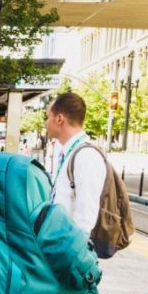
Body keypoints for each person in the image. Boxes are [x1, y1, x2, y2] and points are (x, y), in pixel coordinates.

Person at [44, 92, 103, 234]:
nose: (46, 122)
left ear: (59, 119)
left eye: (48, 117)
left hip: (69, 247)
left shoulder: (86, 156)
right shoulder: (68, 151)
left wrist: (70, 252)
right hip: (60, 240)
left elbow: (85, 218)